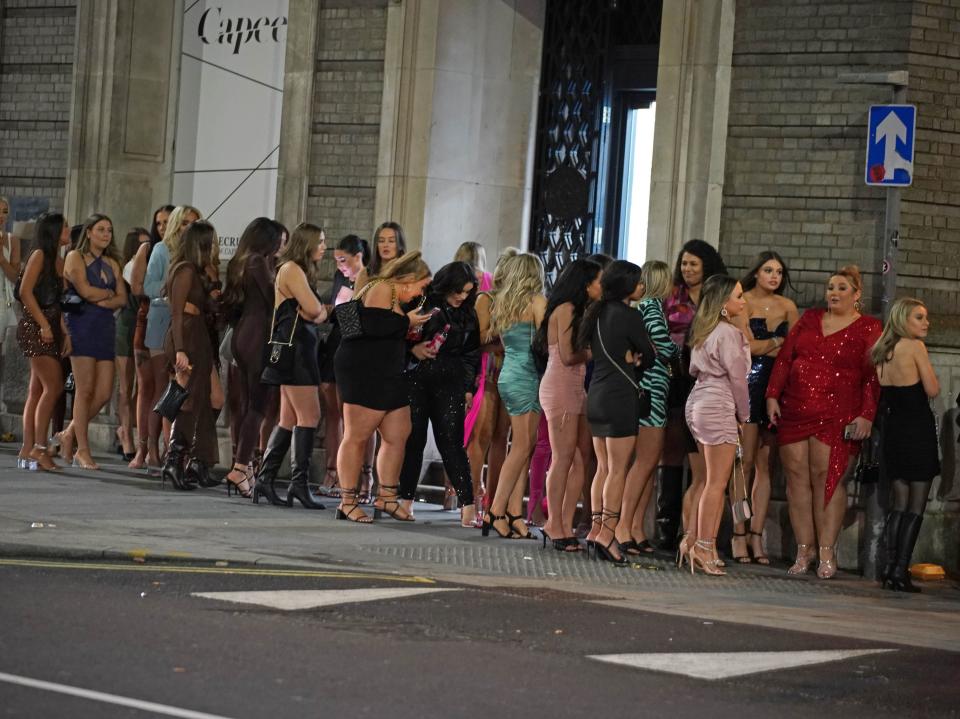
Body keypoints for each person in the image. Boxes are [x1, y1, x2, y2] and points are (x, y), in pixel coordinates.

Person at [766, 265, 881, 579]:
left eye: (842, 288)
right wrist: (772, 395)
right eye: (831, 287)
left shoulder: (869, 327)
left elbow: (873, 376)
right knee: (796, 479)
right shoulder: (810, 319)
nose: (834, 293)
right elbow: (786, 357)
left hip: (838, 413)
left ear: (857, 294)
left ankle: (828, 551)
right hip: (795, 408)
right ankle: (805, 549)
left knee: (827, 478)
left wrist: (867, 413)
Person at [333, 251, 433, 522]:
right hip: (363, 372)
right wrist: (407, 322)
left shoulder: (391, 294)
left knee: (399, 431)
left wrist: (412, 341)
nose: (419, 294)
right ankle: (348, 500)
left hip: (387, 372)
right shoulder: (382, 288)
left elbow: (385, 334)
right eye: (421, 287)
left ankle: (387, 496)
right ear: (409, 280)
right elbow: (376, 324)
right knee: (357, 436)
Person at [579, 260, 654, 563]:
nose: (642, 287)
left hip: (596, 394)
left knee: (603, 467)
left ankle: (596, 529)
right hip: (620, 397)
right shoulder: (629, 315)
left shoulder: (594, 313)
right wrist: (634, 360)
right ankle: (608, 534)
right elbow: (649, 355)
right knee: (618, 469)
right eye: (637, 282)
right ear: (626, 285)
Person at [729, 251, 799, 563]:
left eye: (779, 272)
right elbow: (747, 346)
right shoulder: (743, 300)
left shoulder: (788, 307)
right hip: (749, 382)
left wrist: (774, 347)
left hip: (778, 387)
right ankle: (737, 533)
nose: (774, 276)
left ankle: (757, 537)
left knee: (765, 466)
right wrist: (776, 343)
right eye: (768, 270)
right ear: (756, 272)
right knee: (741, 467)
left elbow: (796, 350)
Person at [659, 240, 727, 552]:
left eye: (693, 264)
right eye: (684, 263)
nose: (687, 269)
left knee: (702, 461)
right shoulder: (673, 296)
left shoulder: (719, 296)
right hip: (676, 378)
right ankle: (666, 523)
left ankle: (697, 530)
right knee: (674, 447)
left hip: (707, 381)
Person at [255, 223, 329, 507]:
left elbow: (313, 310)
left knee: (288, 418)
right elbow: (313, 310)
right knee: (310, 416)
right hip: (295, 352)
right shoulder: (292, 270)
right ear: (307, 243)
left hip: (299, 349)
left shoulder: (297, 270)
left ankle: (265, 480)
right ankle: (299, 484)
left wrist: (318, 312)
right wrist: (320, 312)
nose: (324, 246)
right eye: (320, 241)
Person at [681, 275, 750, 575]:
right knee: (716, 483)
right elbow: (738, 380)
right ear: (723, 304)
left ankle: (693, 540)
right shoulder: (728, 333)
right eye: (737, 296)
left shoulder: (703, 329)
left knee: (707, 480)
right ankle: (705, 547)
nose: (743, 301)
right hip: (718, 402)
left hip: (697, 400)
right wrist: (743, 416)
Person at [398, 261, 479, 516]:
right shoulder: (422, 303)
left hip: (451, 381)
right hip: (416, 377)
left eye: (467, 292)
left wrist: (468, 389)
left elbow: (470, 353)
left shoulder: (468, 313)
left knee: (452, 443)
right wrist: (411, 351)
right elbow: (396, 335)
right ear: (446, 286)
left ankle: (468, 505)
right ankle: (406, 499)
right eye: (458, 291)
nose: (462, 297)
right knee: (414, 440)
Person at [872, 298, 940, 592]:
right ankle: (901, 570)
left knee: (898, 502)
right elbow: (933, 389)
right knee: (916, 504)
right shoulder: (914, 347)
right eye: (919, 318)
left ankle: (889, 569)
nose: (926, 323)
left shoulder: (882, 351)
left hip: (893, 430)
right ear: (903, 320)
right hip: (917, 429)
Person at [537, 258, 602, 551]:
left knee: (577, 460)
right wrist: (597, 351)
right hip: (560, 385)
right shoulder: (565, 309)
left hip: (574, 387)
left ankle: (564, 521)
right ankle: (554, 524)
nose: (602, 286)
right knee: (563, 458)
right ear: (585, 284)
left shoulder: (581, 311)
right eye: (599, 281)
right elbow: (567, 355)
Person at [483, 253, 547, 540]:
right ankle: (496, 511)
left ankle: (514, 514)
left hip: (508, 373)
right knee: (522, 446)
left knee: (523, 445)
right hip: (526, 375)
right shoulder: (536, 302)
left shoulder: (505, 303)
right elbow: (546, 340)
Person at [618, 260, 678, 555]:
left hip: (649, 388)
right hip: (652, 390)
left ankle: (636, 527)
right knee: (644, 462)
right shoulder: (651, 306)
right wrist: (680, 349)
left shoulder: (641, 308)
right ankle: (625, 526)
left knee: (646, 464)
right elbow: (664, 347)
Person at [223, 218, 286, 495]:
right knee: (259, 405)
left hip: (242, 334)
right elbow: (273, 299)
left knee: (248, 405)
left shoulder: (241, 261)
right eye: (278, 240)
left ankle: (244, 466)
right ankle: (239, 468)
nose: (281, 245)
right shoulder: (257, 262)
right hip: (257, 337)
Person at [60, 214, 127, 470]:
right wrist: (106, 294)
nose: (106, 234)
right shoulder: (75, 257)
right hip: (81, 325)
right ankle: (83, 450)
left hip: (105, 327)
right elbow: (84, 291)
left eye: (109, 230)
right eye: (100, 229)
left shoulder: (112, 262)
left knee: (103, 393)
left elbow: (122, 298)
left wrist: (103, 297)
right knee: (85, 390)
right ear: (88, 232)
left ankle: (68, 434)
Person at [161, 220, 220, 490]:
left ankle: (197, 460)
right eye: (212, 241)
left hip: (199, 335)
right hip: (185, 333)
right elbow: (175, 312)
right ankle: (174, 460)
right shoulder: (184, 270)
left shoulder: (199, 271)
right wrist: (180, 349)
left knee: (209, 399)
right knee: (188, 400)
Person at [464, 248, 518, 526]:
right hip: (485, 374)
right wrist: (501, 334)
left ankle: (493, 503)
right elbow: (476, 338)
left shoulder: (519, 303)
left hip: (508, 376)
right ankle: (470, 501)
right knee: (480, 439)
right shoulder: (485, 299)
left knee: (502, 439)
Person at [143, 205, 202, 461]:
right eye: (184, 223)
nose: (188, 228)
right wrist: (173, 291)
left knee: (181, 386)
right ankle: (151, 449)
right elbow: (148, 285)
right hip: (161, 320)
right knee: (162, 388)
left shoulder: (197, 255)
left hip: (187, 327)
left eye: (194, 223)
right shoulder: (161, 249)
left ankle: (175, 449)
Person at [16, 212, 70, 470]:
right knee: (54, 386)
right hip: (36, 327)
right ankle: (39, 448)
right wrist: (44, 325)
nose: (68, 230)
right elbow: (25, 292)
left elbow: (60, 301)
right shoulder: (39, 255)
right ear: (53, 231)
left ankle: (28, 448)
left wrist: (63, 331)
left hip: (51, 327)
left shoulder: (57, 260)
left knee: (37, 390)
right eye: (64, 226)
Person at [318, 234, 369, 496]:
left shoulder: (367, 279)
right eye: (336, 260)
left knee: (355, 416)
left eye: (343, 260)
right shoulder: (342, 278)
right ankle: (332, 470)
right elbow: (332, 309)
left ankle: (361, 475)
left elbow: (353, 320)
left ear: (358, 256)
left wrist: (335, 309)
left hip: (356, 348)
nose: (339, 265)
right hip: (336, 344)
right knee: (332, 413)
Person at [128, 205, 174, 468]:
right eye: (159, 223)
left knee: (161, 388)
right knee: (145, 387)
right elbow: (137, 287)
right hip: (148, 318)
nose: (163, 228)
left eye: (168, 222)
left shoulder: (179, 251)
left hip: (169, 319)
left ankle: (156, 447)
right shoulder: (149, 249)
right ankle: (142, 448)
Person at [114, 227, 150, 461]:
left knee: (143, 386)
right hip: (127, 325)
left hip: (144, 324)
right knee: (126, 386)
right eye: (142, 245)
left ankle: (134, 432)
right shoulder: (129, 267)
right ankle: (126, 434)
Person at [0, 197, 22, 406]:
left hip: (4, 302)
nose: (1, 216)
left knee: (3, 355)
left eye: (5, 211)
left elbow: (15, 277)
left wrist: (2, 259)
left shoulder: (10, 240)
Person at [354, 221, 406, 292]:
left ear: (400, 245)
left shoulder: (408, 273)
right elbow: (356, 301)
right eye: (381, 241)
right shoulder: (365, 273)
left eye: (391, 241)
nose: (386, 245)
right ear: (377, 245)